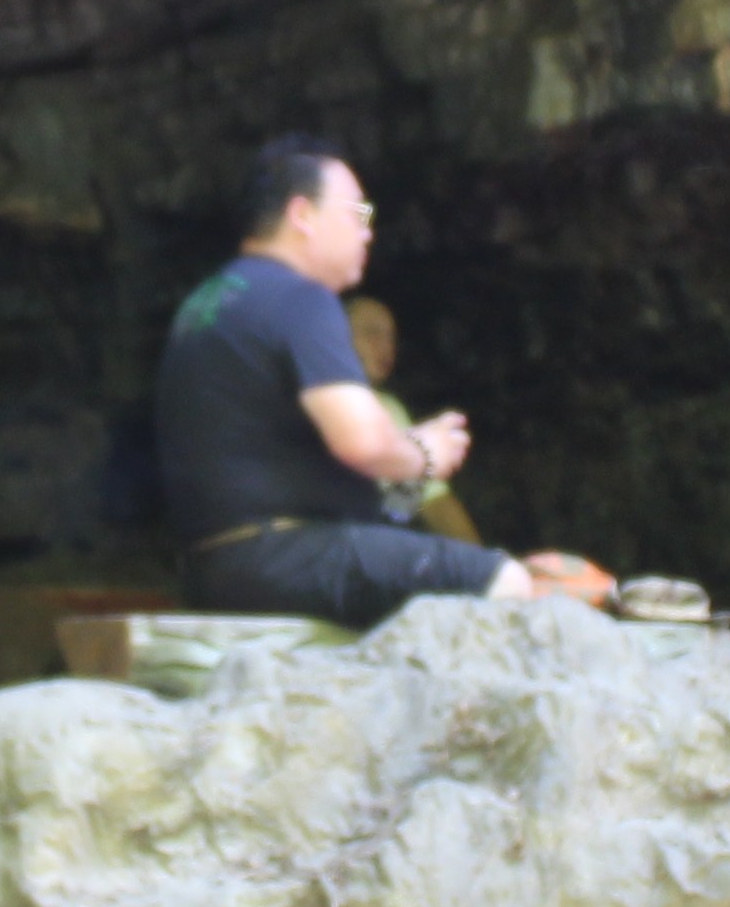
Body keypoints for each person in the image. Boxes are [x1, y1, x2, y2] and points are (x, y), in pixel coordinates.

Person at [160, 138, 596, 624]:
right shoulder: (300, 298)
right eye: (356, 215)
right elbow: (363, 444)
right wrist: (424, 453)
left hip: (212, 565)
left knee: (454, 568)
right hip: (287, 557)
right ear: (303, 214)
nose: (368, 233)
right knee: (507, 583)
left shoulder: (205, 303)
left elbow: (369, 502)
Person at [342, 295, 488, 545]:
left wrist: (482, 564)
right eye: (372, 332)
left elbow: (417, 504)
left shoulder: (389, 408)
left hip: (370, 544)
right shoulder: (312, 402)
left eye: (391, 337)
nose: (385, 346)